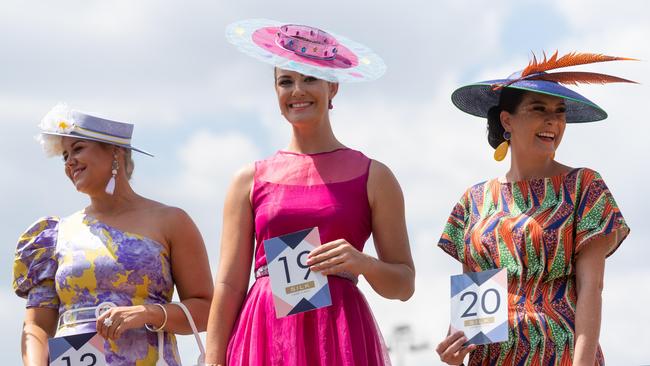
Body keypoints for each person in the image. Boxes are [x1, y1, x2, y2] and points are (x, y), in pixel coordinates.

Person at [205, 20, 415, 366]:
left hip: (339, 336)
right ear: (275, 92)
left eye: (310, 78)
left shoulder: (375, 177)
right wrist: (213, 360)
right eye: (286, 81)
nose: (297, 91)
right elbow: (228, 286)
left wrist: (362, 264)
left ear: (333, 87)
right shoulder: (248, 180)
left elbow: (403, 284)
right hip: (263, 335)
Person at [435, 52, 635, 365]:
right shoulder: (473, 201)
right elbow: (472, 315)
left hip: (560, 356)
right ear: (507, 120)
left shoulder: (584, 186)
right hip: (491, 359)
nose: (553, 121)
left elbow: (591, 289)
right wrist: (453, 350)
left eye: (560, 112)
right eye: (538, 109)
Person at [13, 104, 213, 365]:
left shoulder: (171, 221)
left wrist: (148, 313)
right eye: (64, 156)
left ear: (116, 152)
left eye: (78, 149)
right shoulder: (52, 235)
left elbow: (208, 310)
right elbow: (37, 326)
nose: (69, 162)